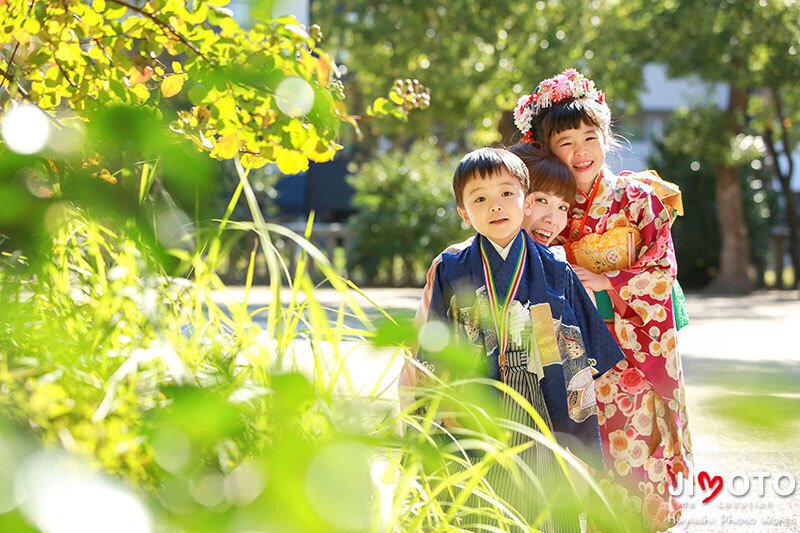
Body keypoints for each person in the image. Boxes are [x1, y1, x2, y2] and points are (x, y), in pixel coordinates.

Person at [514, 68, 692, 531]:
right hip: (562, 353)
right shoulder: (543, 200)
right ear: (546, 147)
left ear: (607, 137)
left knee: (632, 461)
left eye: (590, 137)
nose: (580, 152)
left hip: (629, 350)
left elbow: (661, 271)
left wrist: (605, 281)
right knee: (574, 466)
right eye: (565, 142)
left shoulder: (638, 198)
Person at [418, 147, 624, 531]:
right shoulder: (452, 267)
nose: (495, 206)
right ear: (464, 212)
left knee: (547, 508)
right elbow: (435, 350)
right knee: (482, 509)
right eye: (480, 199)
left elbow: (575, 360)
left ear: (526, 202)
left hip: (542, 408)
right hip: (476, 408)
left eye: (506, 194)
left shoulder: (554, 268)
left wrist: (579, 444)